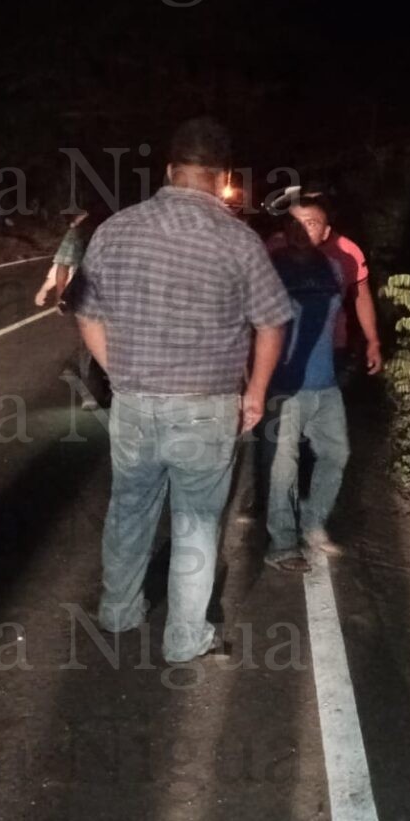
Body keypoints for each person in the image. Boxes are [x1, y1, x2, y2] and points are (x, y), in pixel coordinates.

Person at [67, 117, 292, 665]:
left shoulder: (116, 230)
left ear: (170, 170)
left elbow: (85, 312)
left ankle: (118, 610)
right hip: (206, 406)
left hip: (135, 402)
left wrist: (119, 369)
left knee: (130, 507)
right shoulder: (238, 240)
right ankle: (185, 637)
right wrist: (256, 392)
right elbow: (271, 322)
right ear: (223, 177)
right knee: (195, 522)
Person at [260, 206, 351, 573]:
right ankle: (282, 543)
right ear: (285, 228)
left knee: (336, 455)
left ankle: (313, 525)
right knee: (283, 466)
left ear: (325, 231)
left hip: (325, 384)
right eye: (295, 223)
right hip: (284, 383)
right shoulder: (270, 268)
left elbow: (336, 318)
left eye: (311, 223)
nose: (302, 229)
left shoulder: (333, 268)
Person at [273, 190, 382, 383]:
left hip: (332, 344)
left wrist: (373, 340)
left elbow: (361, 296)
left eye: (312, 222)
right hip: (282, 345)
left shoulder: (347, 252)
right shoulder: (275, 247)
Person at [35, 206, 106, 409]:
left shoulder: (77, 233)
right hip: (115, 293)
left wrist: (61, 296)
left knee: (88, 343)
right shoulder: (113, 226)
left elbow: (62, 266)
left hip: (86, 294)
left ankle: (93, 394)